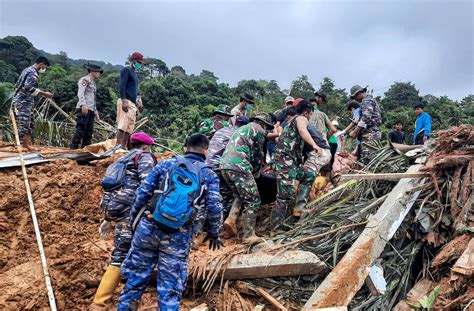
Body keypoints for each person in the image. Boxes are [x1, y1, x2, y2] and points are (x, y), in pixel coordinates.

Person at [118, 133, 223, 310]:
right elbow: (215, 207)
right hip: (178, 234)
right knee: (170, 289)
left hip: (148, 227)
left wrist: (134, 221)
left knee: (134, 280)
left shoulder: (167, 163)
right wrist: (214, 233)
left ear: (185, 147)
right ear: (206, 150)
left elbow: (142, 193)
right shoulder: (209, 174)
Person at [92, 132, 157, 307]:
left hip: (113, 209)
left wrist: (107, 218)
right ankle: (101, 303)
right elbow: (148, 186)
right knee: (126, 252)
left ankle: (99, 302)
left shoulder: (120, 159)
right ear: (145, 147)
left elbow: (110, 189)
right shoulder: (144, 157)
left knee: (122, 251)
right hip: (129, 211)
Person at [220, 113, 274, 240]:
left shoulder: (242, 129)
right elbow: (258, 155)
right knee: (253, 200)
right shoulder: (259, 130)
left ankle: (231, 220)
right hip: (239, 166)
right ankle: (248, 235)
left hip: (224, 165)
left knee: (239, 195)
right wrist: (257, 173)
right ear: (265, 124)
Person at [271, 100, 324, 228]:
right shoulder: (301, 118)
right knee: (285, 195)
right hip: (284, 162)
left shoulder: (291, 121)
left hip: (292, 163)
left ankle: (299, 208)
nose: (310, 117)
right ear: (306, 112)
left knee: (309, 175)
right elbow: (302, 130)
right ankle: (275, 228)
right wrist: (314, 145)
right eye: (310, 114)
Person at [206, 115, 250, 218]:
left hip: (207, 163)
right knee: (230, 194)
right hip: (218, 166)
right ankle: (223, 221)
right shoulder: (239, 134)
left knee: (210, 193)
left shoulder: (222, 130)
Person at [13, 56, 53, 151]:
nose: (44, 69)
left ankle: (25, 145)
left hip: (26, 100)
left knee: (31, 123)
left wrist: (41, 93)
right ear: (41, 64)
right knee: (24, 123)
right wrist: (44, 93)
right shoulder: (32, 73)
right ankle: (17, 145)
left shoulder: (27, 70)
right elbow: (28, 87)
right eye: (45, 67)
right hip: (24, 101)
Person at [70, 64, 103, 149]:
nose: (99, 74)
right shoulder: (85, 80)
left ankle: (85, 151)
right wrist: (83, 105)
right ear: (93, 72)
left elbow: (92, 99)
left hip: (91, 109)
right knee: (80, 130)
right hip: (84, 108)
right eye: (98, 72)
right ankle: (73, 150)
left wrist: (96, 112)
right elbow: (81, 93)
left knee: (88, 132)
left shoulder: (93, 83)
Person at [117, 52, 145, 149]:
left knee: (129, 127)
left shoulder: (134, 74)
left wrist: (137, 104)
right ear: (133, 60)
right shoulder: (126, 70)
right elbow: (122, 85)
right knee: (123, 125)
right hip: (126, 100)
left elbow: (134, 90)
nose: (140, 65)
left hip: (132, 103)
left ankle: (123, 147)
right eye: (138, 62)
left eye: (141, 63)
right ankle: (118, 147)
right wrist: (123, 99)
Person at [348, 85, 382, 164]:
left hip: (369, 134)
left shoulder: (366, 101)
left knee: (368, 160)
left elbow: (366, 118)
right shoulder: (370, 100)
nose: (355, 100)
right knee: (369, 159)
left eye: (354, 97)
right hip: (372, 133)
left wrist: (355, 132)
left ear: (359, 93)